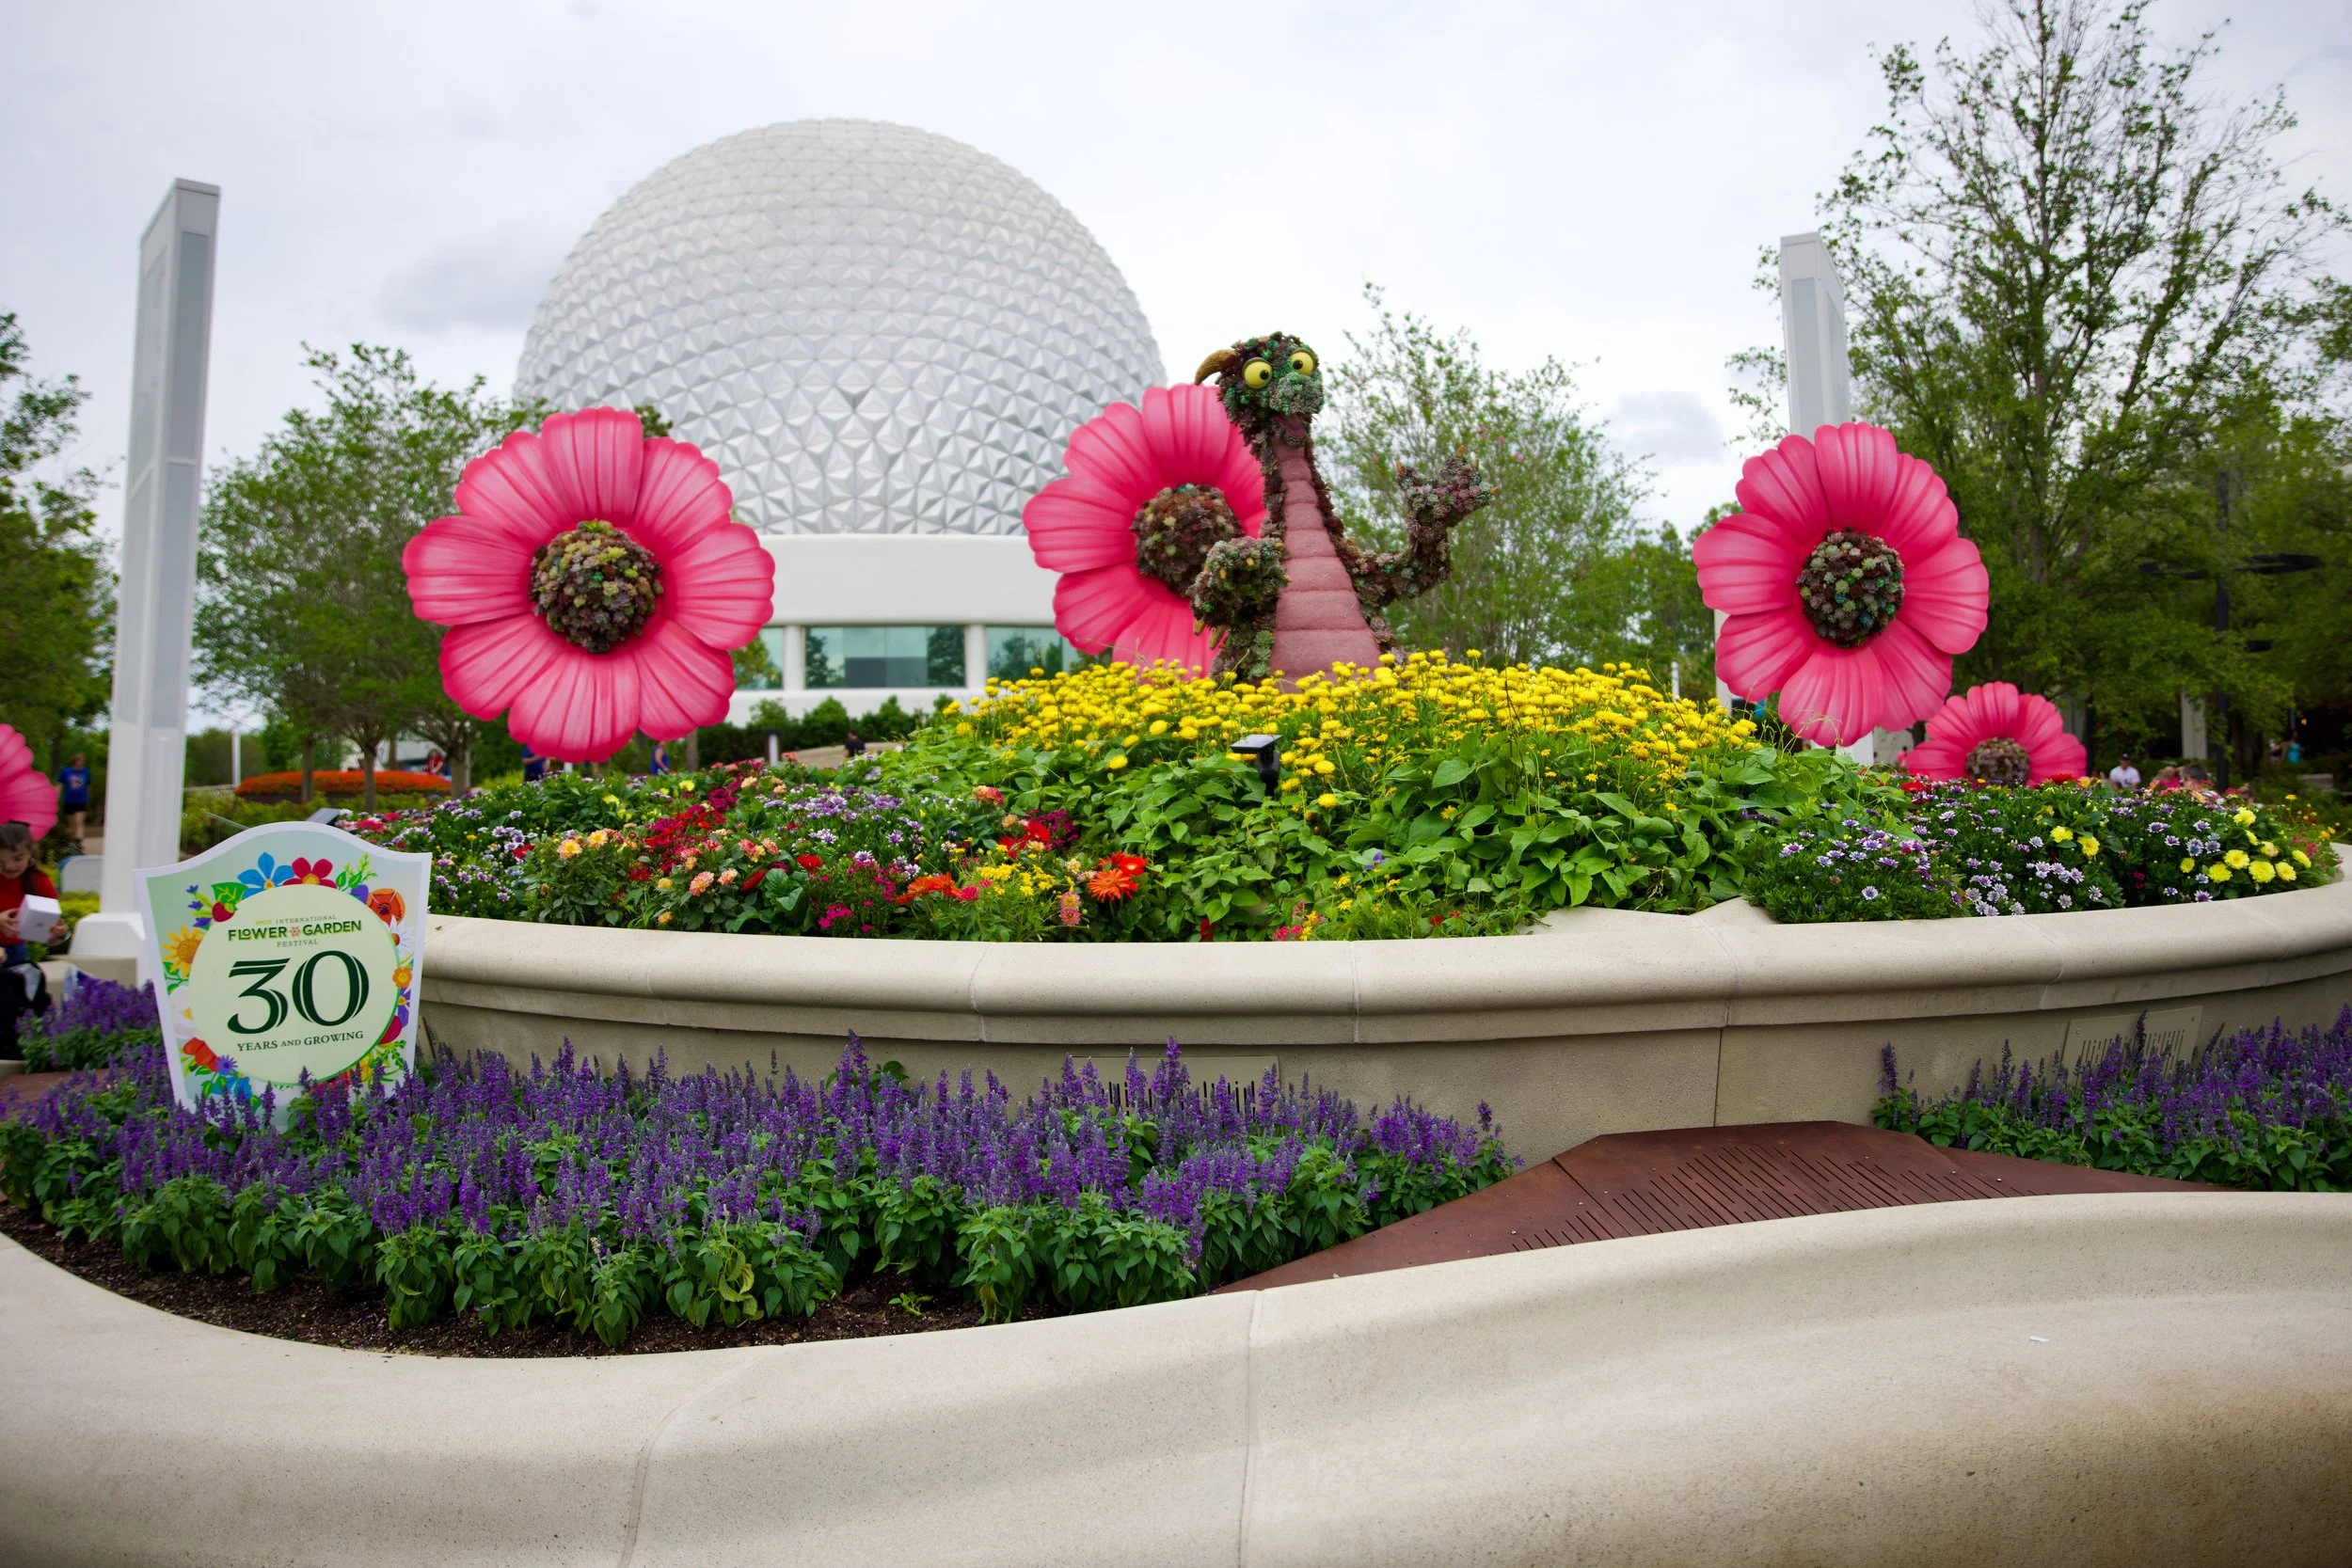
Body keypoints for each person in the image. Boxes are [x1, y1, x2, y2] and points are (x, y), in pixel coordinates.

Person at [0, 822, 56, 1059]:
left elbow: (51, 932)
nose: (10, 867)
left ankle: (19, 1048)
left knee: (17, 1002)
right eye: (1, 862)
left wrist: (58, 934)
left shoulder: (38, 882)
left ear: (30, 853)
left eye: (17, 859)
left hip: (17, 955)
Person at [55, 753, 90, 848]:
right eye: (80, 760)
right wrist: (55, 797)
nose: (81, 762)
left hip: (81, 800)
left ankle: (78, 843)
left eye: (82, 760)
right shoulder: (66, 771)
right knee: (72, 825)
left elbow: (87, 786)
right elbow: (59, 785)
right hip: (69, 801)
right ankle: (73, 842)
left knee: (79, 821)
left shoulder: (86, 772)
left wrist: (88, 798)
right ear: (74, 761)